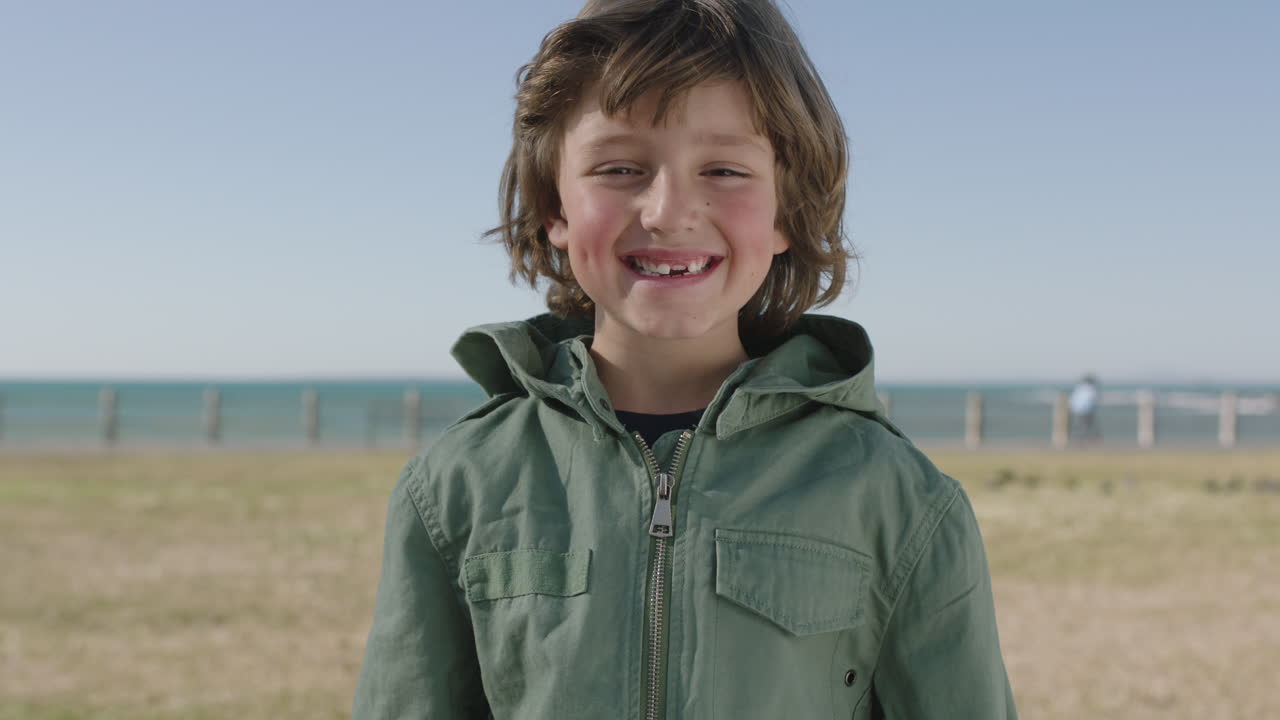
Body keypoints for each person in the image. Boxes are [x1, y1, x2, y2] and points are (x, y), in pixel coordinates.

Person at [352, 1, 1017, 717]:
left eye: (725, 170)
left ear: (786, 210)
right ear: (555, 206)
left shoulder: (899, 498)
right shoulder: (454, 486)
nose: (669, 210)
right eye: (619, 167)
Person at [1069, 374, 1101, 443]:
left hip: (1077, 410)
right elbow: (1093, 400)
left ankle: (1078, 440)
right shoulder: (1091, 389)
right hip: (1086, 411)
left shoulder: (1079, 388)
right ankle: (1090, 440)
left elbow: (1073, 400)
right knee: (1088, 427)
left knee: (1079, 426)